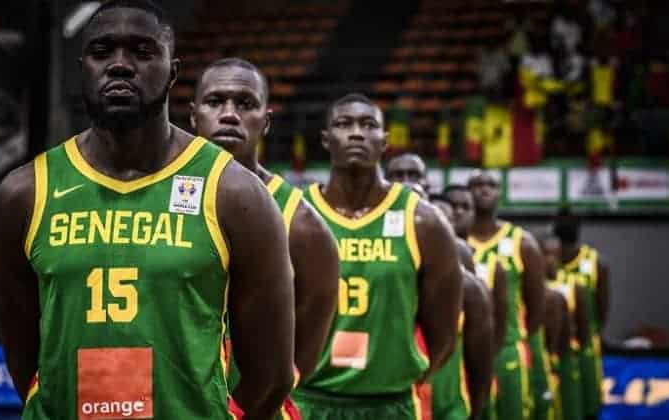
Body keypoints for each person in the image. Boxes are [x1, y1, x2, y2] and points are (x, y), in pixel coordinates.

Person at [0, 1, 295, 419]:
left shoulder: (236, 192)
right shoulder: (24, 192)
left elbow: (271, 375)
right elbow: (24, 357)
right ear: (82, 67)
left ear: (172, 71)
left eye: (141, 51)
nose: (119, 65)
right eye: (102, 52)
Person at [294, 94, 463, 419]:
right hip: (308, 400)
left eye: (368, 125)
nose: (356, 133)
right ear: (326, 139)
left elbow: (444, 333)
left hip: (391, 402)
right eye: (344, 124)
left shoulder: (423, 221)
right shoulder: (296, 213)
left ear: (385, 141)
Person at [190, 57, 340, 416]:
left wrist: (241, 410)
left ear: (266, 121)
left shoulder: (303, 224)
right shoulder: (159, 198)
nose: (229, 114)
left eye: (245, 104)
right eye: (215, 102)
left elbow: (299, 361)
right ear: (193, 116)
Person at [387, 154, 496, 419]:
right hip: (386, 390)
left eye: (413, 176)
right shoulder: (367, 243)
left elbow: (478, 330)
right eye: (398, 176)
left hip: (445, 392)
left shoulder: (455, 249)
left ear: (428, 185)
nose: (405, 183)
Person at [447, 172, 547, 420]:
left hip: (506, 352)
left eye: (491, 185)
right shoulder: (448, 242)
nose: (484, 190)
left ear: (500, 192)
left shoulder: (522, 243)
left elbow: (536, 309)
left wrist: (512, 337)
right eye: (477, 185)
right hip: (459, 352)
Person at [553, 207, 610, 420]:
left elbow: (603, 308)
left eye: (572, 219)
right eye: (562, 219)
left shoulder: (596, 262)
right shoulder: (545, 260)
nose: (567, 223)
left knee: (588, 408)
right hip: (554, 349)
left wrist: (592, 334)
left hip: (585, 347)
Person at [539, 231, 590, 420]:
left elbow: (584, 330)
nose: (550, 260)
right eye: (546, 254)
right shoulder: (530, 288)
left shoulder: (574, 286)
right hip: (540, 358)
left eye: (555, 254)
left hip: (566, 359)